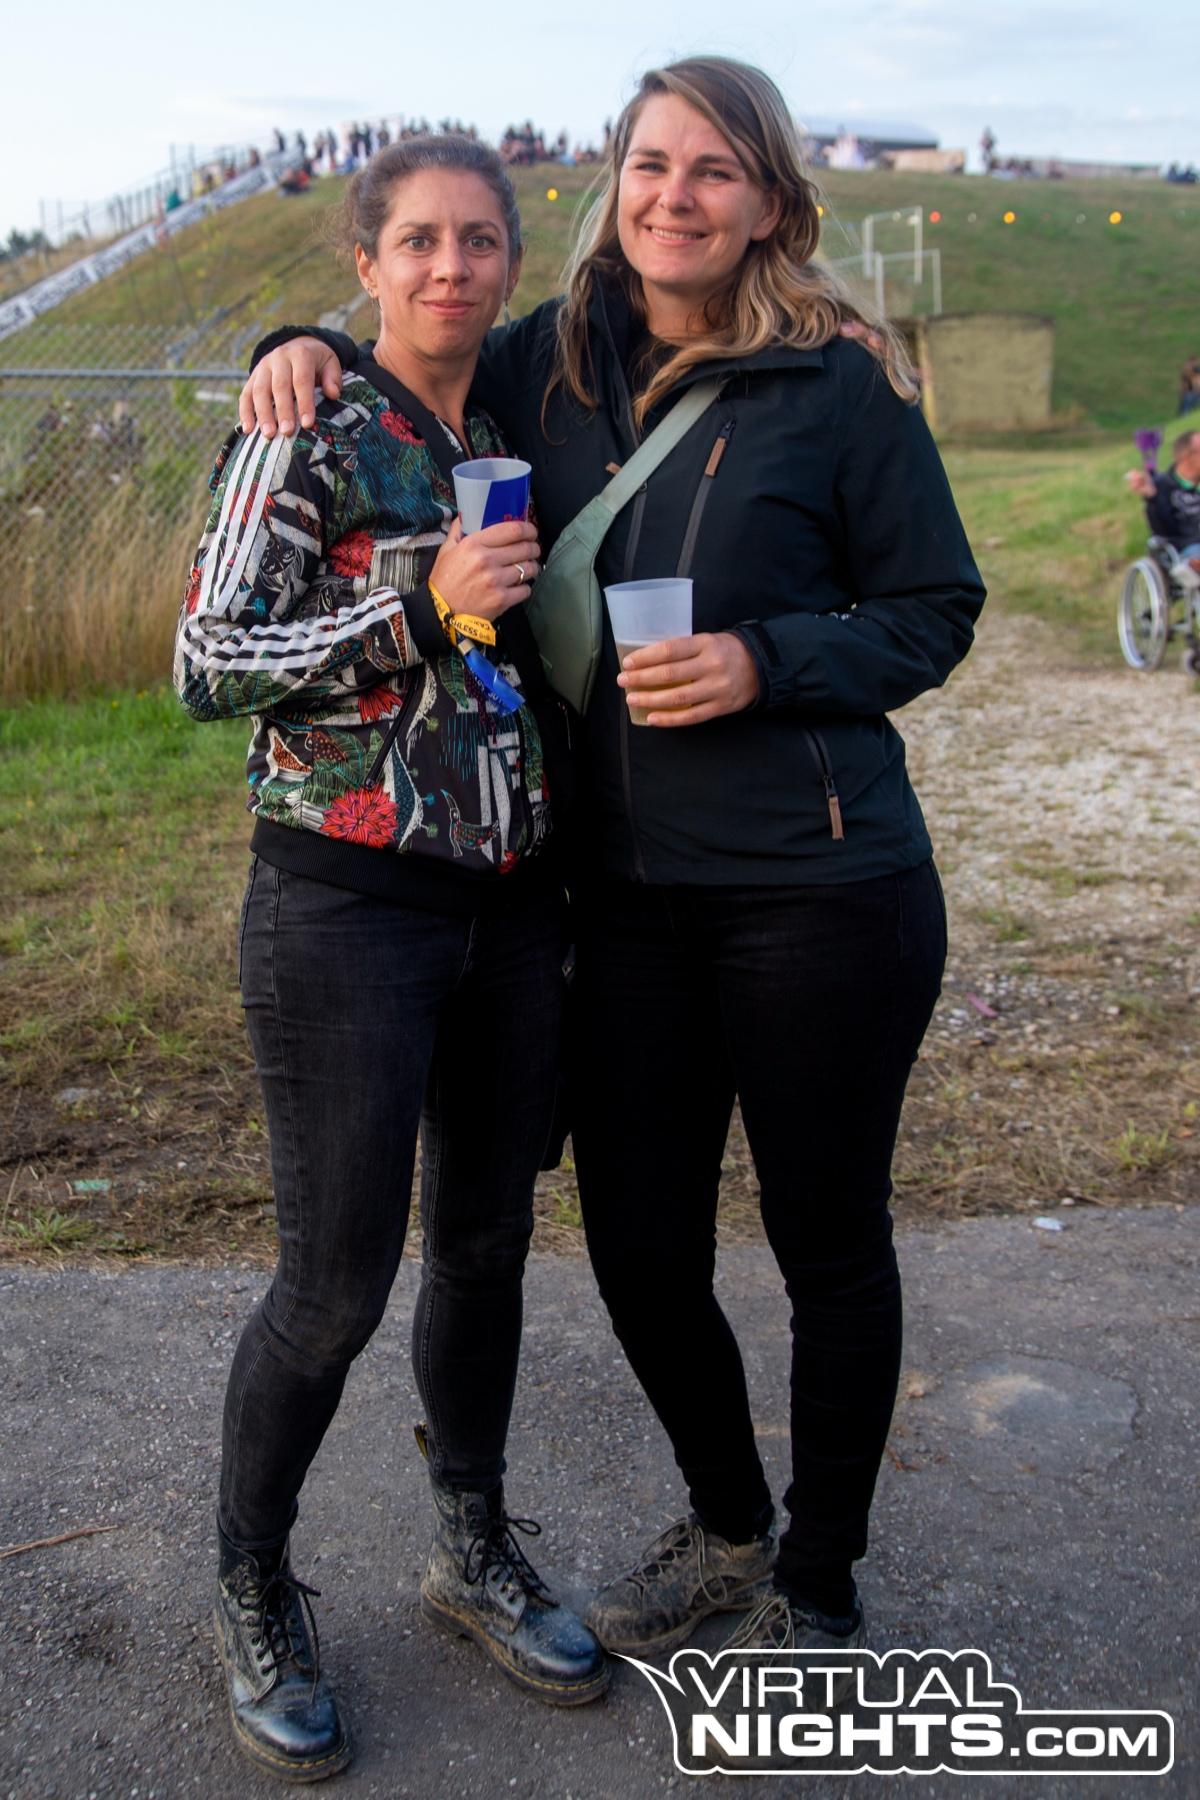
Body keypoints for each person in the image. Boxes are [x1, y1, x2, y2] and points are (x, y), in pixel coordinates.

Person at [242, 54, 984, 1699]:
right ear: (614, 182)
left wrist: (767, 661)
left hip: (820, 889)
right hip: (625, 896)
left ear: (770, 201)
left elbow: (936, 607)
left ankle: (819, 1578)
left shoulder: (840, 383)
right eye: (652, 164)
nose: (675, 196)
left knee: (827, 1241)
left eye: (715, 171)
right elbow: (411, 348)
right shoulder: (550, 358)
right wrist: (295, 346)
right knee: (642, 1247)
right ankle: (729, 1525)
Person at [175, 134, 608, 1785]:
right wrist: (417, 605)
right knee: (333, 1285)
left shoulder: (496, 432)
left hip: (508, 911)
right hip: (345, 909)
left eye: (479, 240)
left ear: (509, 265)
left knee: (485, 1248)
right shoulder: (307, 425)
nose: (451, 267)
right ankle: (252, 1586)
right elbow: (207, 661)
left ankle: (471, 1546)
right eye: (418, 240)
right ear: (364, 263)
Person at [1126, 428, 1200, 562]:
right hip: (1186, 548)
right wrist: (1152, 497)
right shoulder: (1162, 486)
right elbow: (1162, 532)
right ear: (1186, 457)